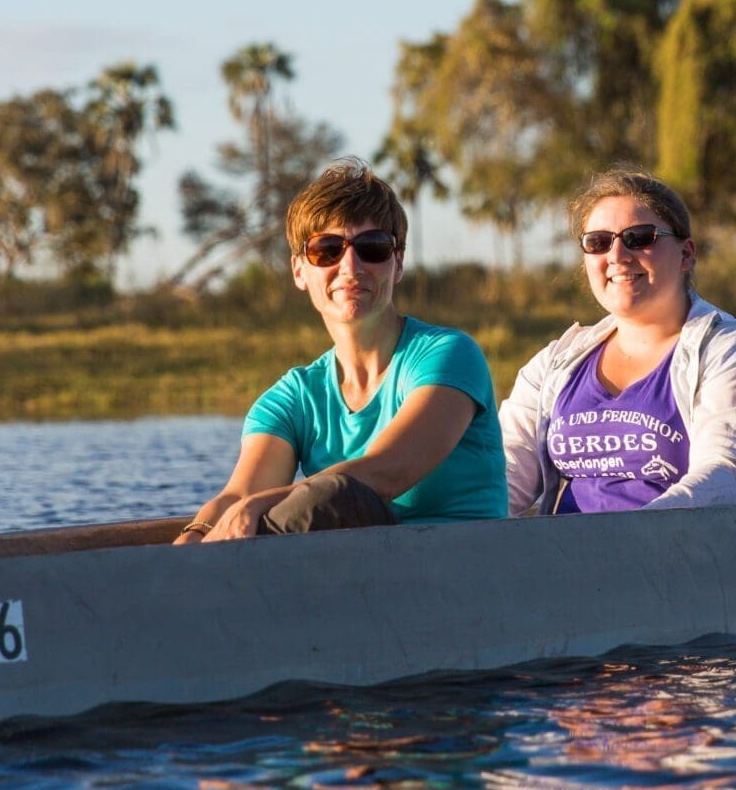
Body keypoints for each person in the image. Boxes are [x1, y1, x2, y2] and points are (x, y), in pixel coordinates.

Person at [180, 161, 505, 541]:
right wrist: (193, 536)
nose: (350, 267)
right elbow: (238, 494)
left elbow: (386, 470)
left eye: (373, 248)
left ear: (397, 263)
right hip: (357, 580)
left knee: (337, 495)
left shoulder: (449, 355)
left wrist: (257, 506)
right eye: (327, 250)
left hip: (460, 573)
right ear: (299, 271)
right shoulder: (294, 397)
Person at [501, 170, 736, 515]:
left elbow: (726, 477)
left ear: (686, 254)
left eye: (640, 238)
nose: (617, 255)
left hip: (684, 558)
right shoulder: (554, 364)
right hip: (572, 560)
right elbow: (501, 481)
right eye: (598, 241)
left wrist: (627, 538)